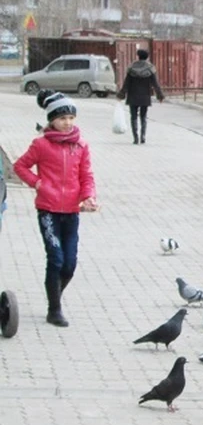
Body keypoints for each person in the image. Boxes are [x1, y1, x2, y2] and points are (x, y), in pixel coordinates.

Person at [14, 90, 98, 327]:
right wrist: (37, 183)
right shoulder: (41, 144)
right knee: (56, 258)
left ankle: (55, 294)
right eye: (62, 118)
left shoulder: (81, 145)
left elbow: (86, 175)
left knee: (70, 263)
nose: (67, 122)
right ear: (52, 119)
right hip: (48, 210)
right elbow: (20, 166)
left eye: (71, 118)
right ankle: (55, 309)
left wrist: (89, 197)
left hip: (71, 211)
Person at [117, 48, 165, 145]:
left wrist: (121, 95)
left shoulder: (131, 68)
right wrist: (160, 96)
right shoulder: (150, 68)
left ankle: (135, 138)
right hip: (145, 96)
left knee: (133, 117)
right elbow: (156, 84)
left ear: (138, 56)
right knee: (143, 116)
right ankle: (143, 136)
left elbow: (126, 84)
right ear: (147, 57)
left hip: (133, 96)